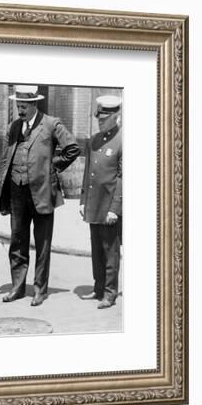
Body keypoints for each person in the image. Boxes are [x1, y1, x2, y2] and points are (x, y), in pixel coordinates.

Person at [0, 85, 80, 306]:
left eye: (24, 106)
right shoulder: (14, 127)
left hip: (43, 192)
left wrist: (53, 166)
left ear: (34, 104)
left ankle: (40, 290)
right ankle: (17, 287)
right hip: (17, 191)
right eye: (18, 106)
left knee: (43, 244)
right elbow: (7, 157)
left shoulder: (52, 124)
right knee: (17, 240)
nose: (20, 111)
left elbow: (73, 148)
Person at [79, 95, 122, 309]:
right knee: (96, 249)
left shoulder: (123, 140)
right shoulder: (94, 139)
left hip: (109, 206)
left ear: (115, 117)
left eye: (104, 119)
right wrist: (82, 199)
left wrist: (115, 209)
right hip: (94, 205)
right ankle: (98, 288)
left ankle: (110, 293)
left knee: (110, 251)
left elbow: (123, 179)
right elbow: (88, 172)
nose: (100, 122)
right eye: (98, 119)